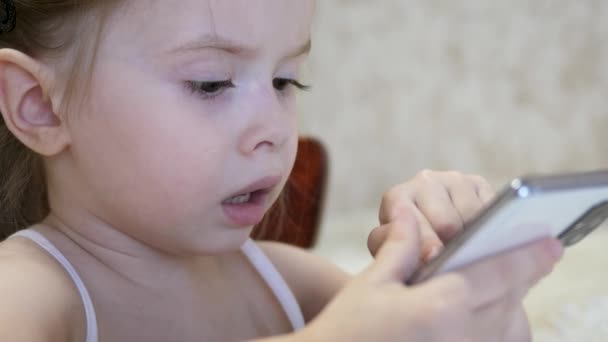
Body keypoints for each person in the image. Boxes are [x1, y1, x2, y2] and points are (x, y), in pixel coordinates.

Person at [0, 1, 562, 341]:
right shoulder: (30, 290)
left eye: (285, 81)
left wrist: (465, 281)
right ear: (40, 105)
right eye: (211, 83)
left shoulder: (286, 285)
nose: (273, 127)